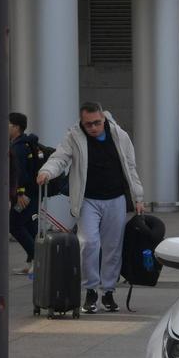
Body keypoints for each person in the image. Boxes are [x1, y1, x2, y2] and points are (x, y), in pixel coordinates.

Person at [36, 102, 144, 314]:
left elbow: (131, 167)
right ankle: (91, 290)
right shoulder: (74, 136)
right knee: (89, 243)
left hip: (115, 198)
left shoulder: (119, 135)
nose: (93, 127)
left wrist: (138, 197)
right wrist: (47, 171)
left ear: (104, 118)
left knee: (113, 247)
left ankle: (109, 291)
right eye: (89, 124)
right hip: (87, 200)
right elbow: (60, 157)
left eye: (97, 123)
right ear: (82, 122)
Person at [7, 112, 41, 275]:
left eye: (8, 124)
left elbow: (19, 172)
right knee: (30, 227)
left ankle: (38, 260)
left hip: (24, 196)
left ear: (16, 127)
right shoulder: (25, 144)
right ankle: (33, 262)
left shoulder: (18, 147)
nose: (5, 127)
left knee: (13, 224)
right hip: (32, 193)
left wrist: (20, 194)